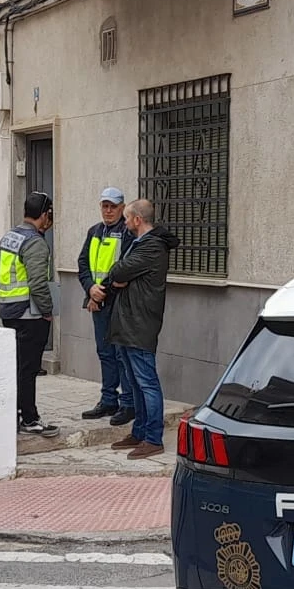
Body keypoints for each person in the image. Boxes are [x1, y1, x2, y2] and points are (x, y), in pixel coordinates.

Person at [90, 198, 179, 459]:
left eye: (128, 218)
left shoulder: (151, 246)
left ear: (138, 220)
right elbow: (118, 274)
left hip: (140, 323)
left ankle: (153, 438)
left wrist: (120, 279)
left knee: (147, 382)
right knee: (136, 382)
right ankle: (139, 432)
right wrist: (119, 280)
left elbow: (118, 270)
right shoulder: (140, 243)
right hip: (128, 322)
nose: (125, 222)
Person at [0, 191, 58, 437]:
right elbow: (38, 283)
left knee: (16, 367)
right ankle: (29, 419)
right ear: (44, 215)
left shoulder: (9, 237)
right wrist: (47, 311)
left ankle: (14, 416)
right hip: (29, 315)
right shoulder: (35, 242)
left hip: (8, 310)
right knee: (28, 369)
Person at [76, 187, 136, 425]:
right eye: (105, 206)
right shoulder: (95, 231)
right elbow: (82, 263)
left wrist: (101, 292)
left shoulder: (127, 232)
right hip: (98, 302)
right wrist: (90, 288)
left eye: (113, 206)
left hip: (118, 303)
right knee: (105, 353)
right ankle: (108, 400)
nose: (108, 210)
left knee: (122, 355)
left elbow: (124, 267)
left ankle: (128, 403)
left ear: (122, 208)